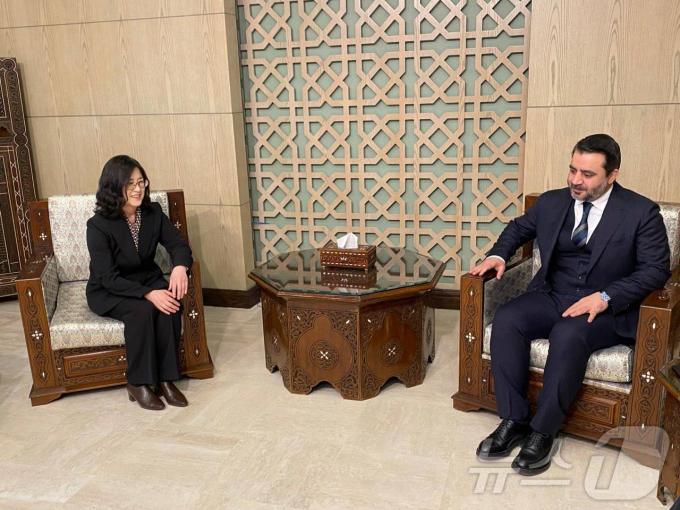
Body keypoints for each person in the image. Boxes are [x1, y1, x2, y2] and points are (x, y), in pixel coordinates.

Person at [470, 134, 670, 475]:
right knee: (507, 320)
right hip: (554, 294)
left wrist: (606, 297)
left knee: (568, 334)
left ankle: (542, 432)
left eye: (588, 174)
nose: (576, 180)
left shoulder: (641, 212)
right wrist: (497, 255)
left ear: (612, 175)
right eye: (573, 170)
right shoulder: (551, 202)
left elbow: (655, 270)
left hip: (606, 306)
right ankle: (514, 419)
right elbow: (517, 229)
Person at [86, 155, 193, 411]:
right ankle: (138, 382)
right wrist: (148, 294)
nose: (137, 189)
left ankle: (166, 379)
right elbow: (107, 277)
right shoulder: (97, 226)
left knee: (169, 305)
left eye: (140, 182)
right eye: (130, 183)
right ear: (114, 187)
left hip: (146, 279)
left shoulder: (152, 213)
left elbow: (178, 244)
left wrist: (180, 267)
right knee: (142, 310)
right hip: (110, 289)